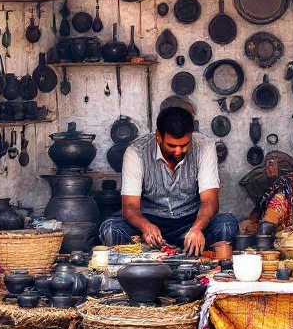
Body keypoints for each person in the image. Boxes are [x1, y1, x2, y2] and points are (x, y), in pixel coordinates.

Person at [99, 96, 238, 255]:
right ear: (158, 137)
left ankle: (186, 245)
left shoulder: (204, 147)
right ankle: (152, 245)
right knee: (111, 229)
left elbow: (209, 201)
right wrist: (146, 227)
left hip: (191, 222)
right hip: (149, 222)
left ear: (191, 136)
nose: (178, 152)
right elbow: (130, 207)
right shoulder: (136, 152)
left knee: (226, 225)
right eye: (172, 146)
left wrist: (197, 228)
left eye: (184, 145)